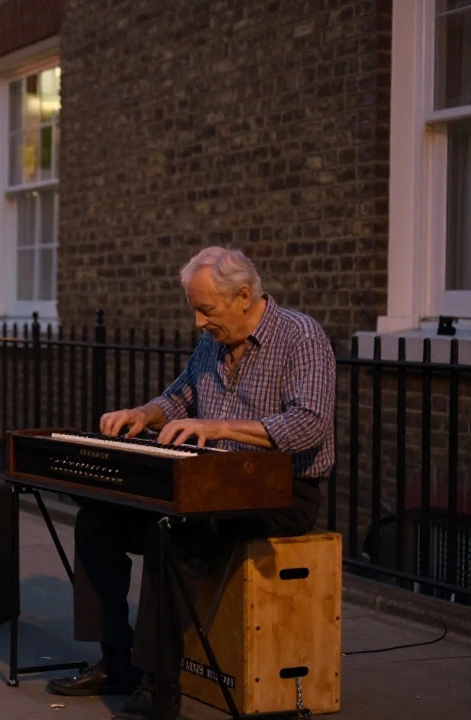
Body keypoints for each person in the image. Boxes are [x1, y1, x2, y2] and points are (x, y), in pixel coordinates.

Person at [44, 247, 336, 720]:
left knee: (172, 531)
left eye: (207, 309)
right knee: (98, 520)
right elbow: (180, 396)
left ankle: (159, 689)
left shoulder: (301, 336)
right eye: (195, 309)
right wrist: (142, 414)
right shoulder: (214, 341)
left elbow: (309, 425)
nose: (199, 322)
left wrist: (218, 427)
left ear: (244, 296)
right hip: (212, 482)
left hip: (280, 491)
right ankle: (118, 664)